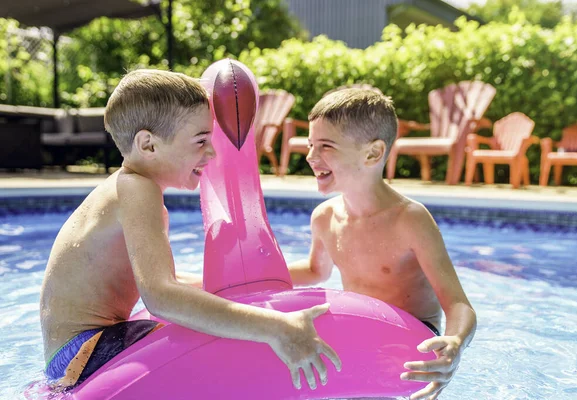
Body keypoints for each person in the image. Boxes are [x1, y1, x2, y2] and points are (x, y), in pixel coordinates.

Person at [39, 69, 341, 391]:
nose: (211, 153)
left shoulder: (124, 191)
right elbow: (161, 297)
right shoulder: (138, 191)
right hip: (85, 354)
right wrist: (276, 326)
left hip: (73, 356)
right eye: (200, 141)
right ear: (148, 145)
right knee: (225, 348)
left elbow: (163, 280)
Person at [288, 88, 476, 400]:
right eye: (311, 145)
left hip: (409, 344)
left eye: (326, 146)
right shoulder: (325, 218)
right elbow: (313, 271)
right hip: (359, 335)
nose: (310, 156)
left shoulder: (410, 220)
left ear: (373, 153)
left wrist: (454, 342)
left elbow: (458, 303)